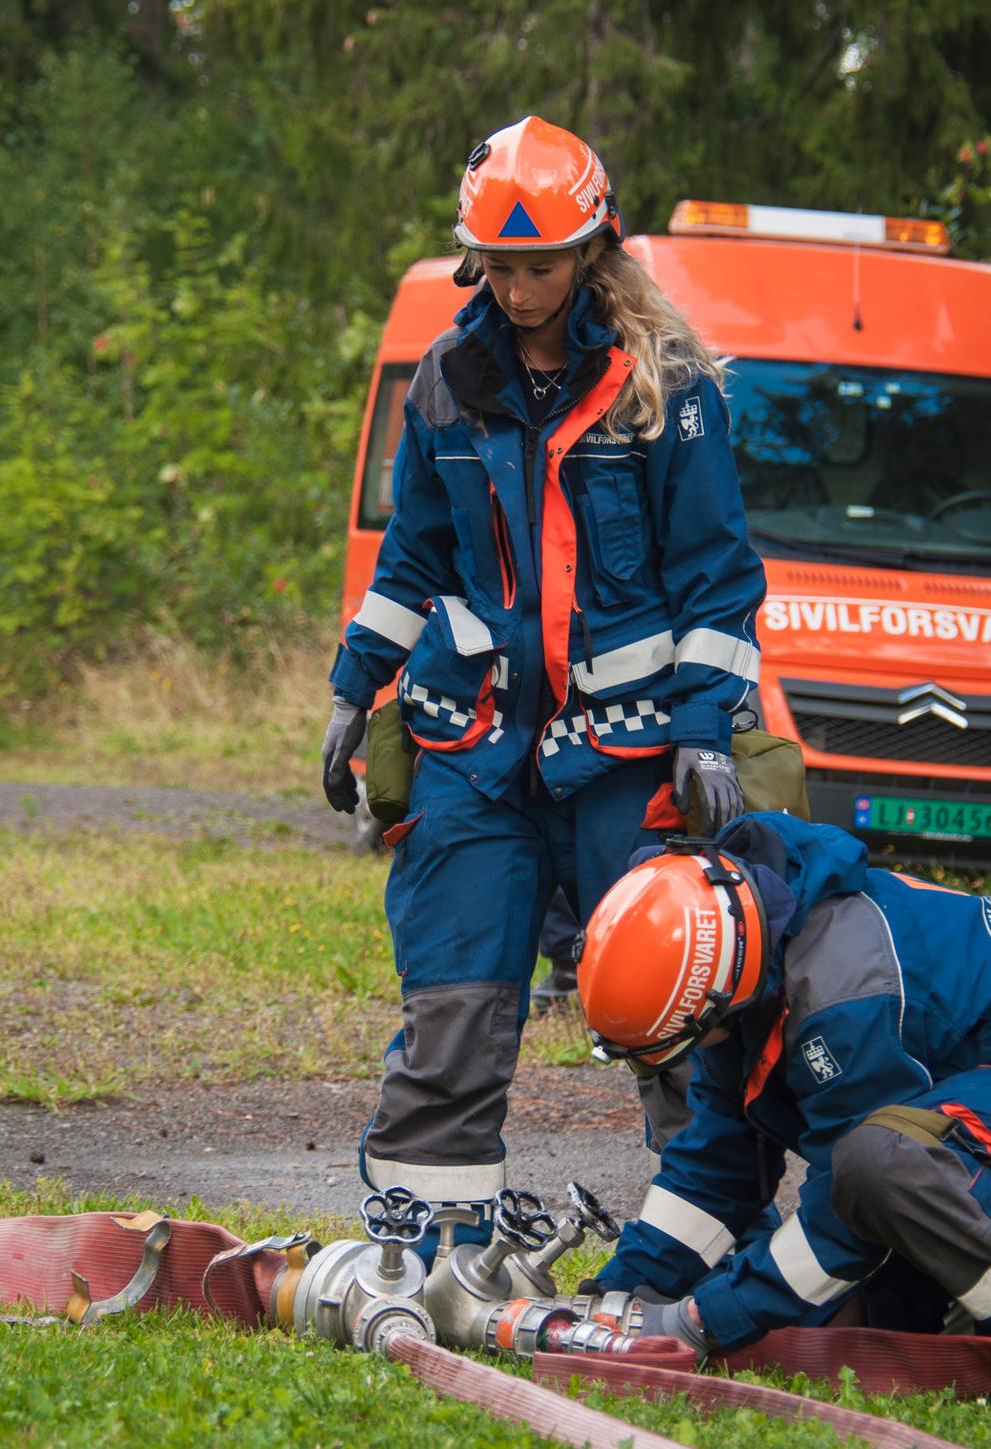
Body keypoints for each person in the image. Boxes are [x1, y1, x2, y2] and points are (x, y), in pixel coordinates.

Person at [321, 115, 765, 1244]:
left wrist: (706, 733)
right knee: (455, 1000)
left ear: (592, 251)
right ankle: (428, 1249)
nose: (519, 289)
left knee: (675, 1008)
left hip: (629, 758)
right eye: (500, 266)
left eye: (542, 265)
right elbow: (412, 556)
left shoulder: (666, 389)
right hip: (474, 749)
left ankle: (694, 1257)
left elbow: (718, 581)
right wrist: (350, 685)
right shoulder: (446, 383)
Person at [578, 811, 991, 1357]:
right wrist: (620, 1292)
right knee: (832, 1333)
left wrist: (700, 1319)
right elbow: (718, 1170)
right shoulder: (742, 964)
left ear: (717, 1001)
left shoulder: (844, 997)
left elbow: (850, 1213)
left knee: (880, 1167)